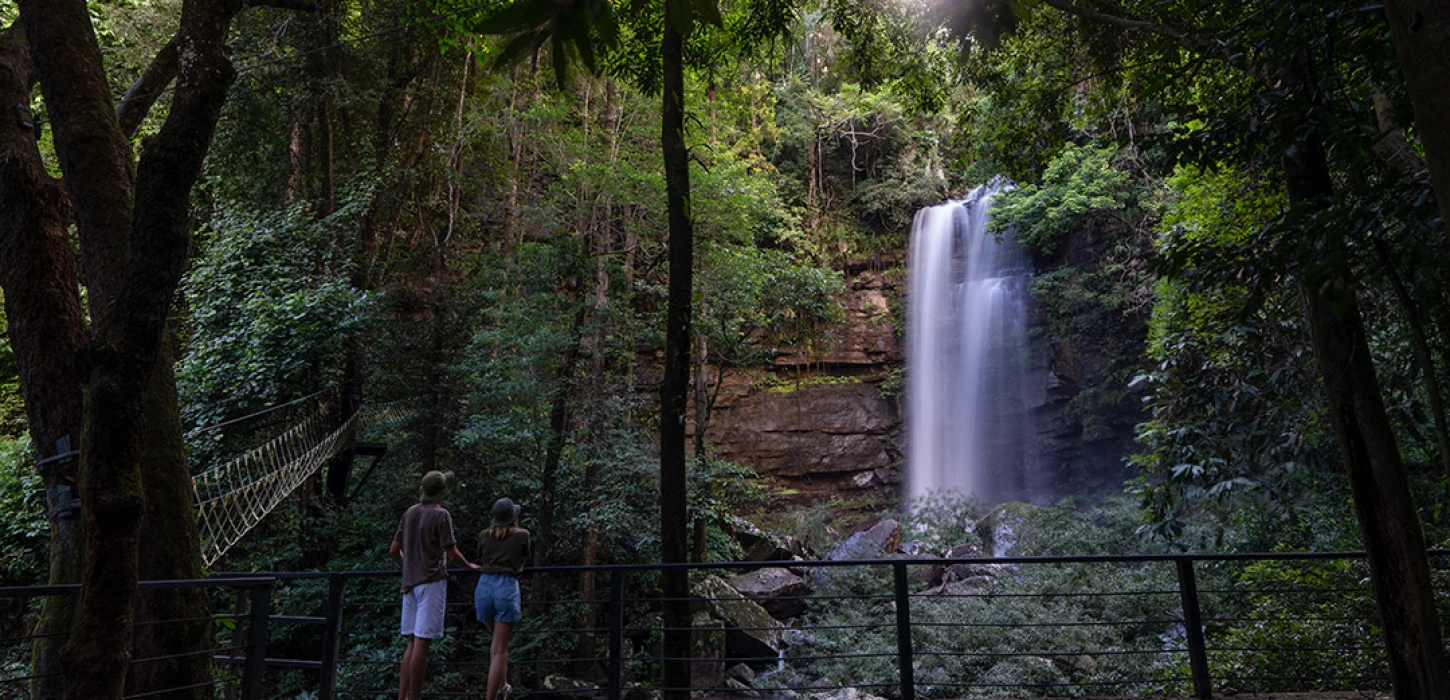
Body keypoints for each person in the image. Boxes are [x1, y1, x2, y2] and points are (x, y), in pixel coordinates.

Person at [391, 470, 480, 700]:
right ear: (441, 493)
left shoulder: (409, 513)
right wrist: (468, 565)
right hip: (431, 582)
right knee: (422, 641)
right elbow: (451, 553)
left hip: (409, 583)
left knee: (411, 641)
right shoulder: (442, 515)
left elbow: (393, 549)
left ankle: (403, 696)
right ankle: (416, 697)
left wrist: (407, 564)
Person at [475, 497, 532, 700]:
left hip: (483, 587)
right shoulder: (522, 535)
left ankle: (504, 686)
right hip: (506, 587)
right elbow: (525, 557)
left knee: (498, 644)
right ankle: (492, 696)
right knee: (498, 649)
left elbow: (480, 557)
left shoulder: (484, 536)